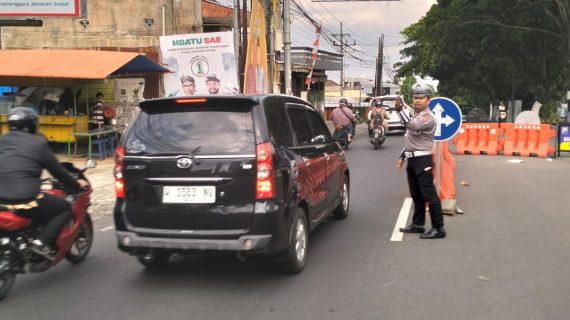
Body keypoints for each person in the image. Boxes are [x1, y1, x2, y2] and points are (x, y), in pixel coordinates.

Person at [0, 107, 89, 259]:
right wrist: (76, 183)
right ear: (32, 124)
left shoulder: (2, 140)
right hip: (25, 199)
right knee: (64, 208)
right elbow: (58, 171)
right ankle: (41, 243)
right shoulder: (38, 143)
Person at [395, 83, 446, 239]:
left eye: (421, 98)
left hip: (423, 160)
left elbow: (412, 127)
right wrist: (402, 156)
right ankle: (418, 224)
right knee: (416, 193)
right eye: (415, 97)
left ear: (428, 100)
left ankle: (438, 228)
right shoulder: (417, 115)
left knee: (429, 194)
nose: (417, 100)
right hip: (413, 159)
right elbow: (411, 141)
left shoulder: (428, 117)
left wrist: (400, 111)